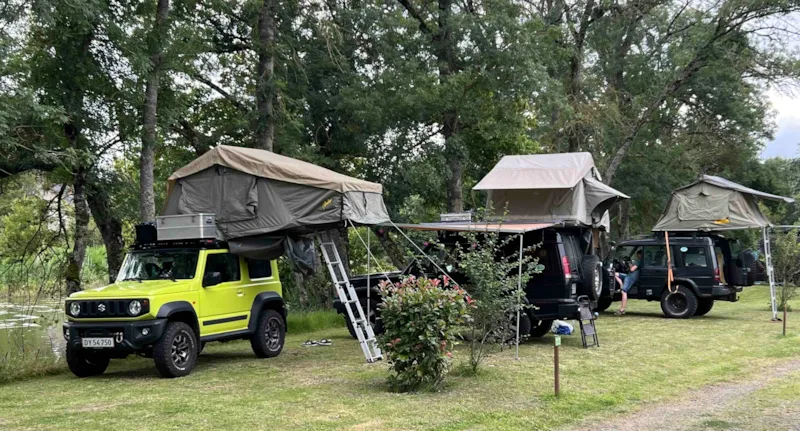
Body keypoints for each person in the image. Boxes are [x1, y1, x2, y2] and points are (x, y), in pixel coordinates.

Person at [615, 250, 642, 315]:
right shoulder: (640, 262)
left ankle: (622, 309)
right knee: (614, 274)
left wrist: (630, 265)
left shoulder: (639, 262)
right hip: (628, 276)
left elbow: (632, 269)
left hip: (631, 277)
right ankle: (621, 284)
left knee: (624, 291)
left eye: (638, 255)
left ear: (640, 255)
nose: (637, 256)